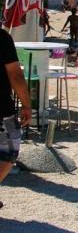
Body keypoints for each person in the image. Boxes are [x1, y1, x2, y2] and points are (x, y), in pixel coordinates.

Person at [0, 29, 32, 208]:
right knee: (9, 151)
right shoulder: (2, 38)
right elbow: (15, 75)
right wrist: (26, 104)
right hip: (2, 108)